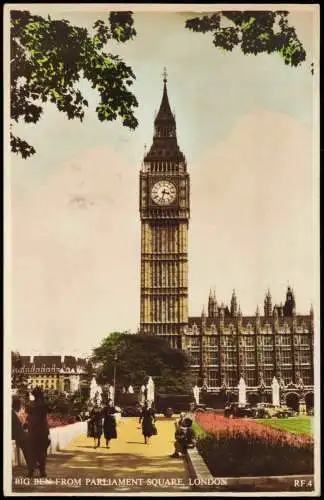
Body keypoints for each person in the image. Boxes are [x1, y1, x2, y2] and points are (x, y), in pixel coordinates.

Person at [25, 387, 50, 477]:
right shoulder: (44, 404)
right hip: (42, 432)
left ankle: (31, 471)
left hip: (33, 432)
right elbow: (47, 411)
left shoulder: (31, 405)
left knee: (32, 452)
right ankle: (42, 471)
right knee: (42, 452)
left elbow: (28, 414)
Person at [12, 397, 33, 476]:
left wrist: (24, 425)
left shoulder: (14, 414)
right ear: (17, 406)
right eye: (20, 406)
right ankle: (31, 467)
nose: (21, 408)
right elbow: (16, 429)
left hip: (20, 436)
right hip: (18, 437)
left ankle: (32, 466)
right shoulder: (12, 415)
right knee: (28, 447)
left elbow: (18, 427)